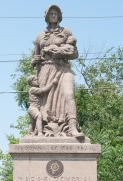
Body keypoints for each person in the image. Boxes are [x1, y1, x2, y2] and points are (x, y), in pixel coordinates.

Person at [32, 5, 84, 138]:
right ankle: (43, 129)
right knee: (47, 104)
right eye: (51, 13)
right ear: (47, 16)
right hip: (46, 71)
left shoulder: (66, 32)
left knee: (69, 95)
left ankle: (72, 128)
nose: (54, 15)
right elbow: (34, 58)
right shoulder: (40, 36)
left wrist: (59, 51)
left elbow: (74, 54)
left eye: (56, 13)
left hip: (63, 68)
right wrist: (35, 60)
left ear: (60, 16)